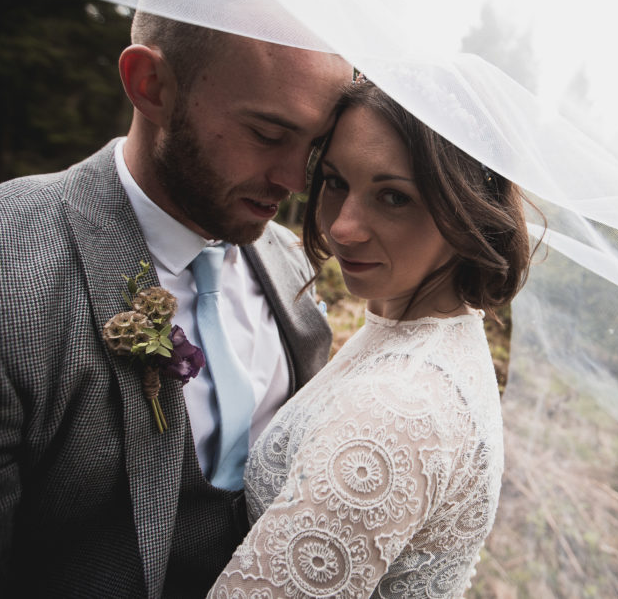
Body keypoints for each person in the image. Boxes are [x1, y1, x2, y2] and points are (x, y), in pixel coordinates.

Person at [0, 0, 352, 599]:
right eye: (267, 133)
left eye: (313, 148)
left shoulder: (287, 261)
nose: (293, 182)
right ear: (150, 85)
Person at [208, 78, 538, 597]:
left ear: (466, 209)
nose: (344, 227)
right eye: (336, 182)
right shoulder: (427, 336)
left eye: (393, 197)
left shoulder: (400, 406)